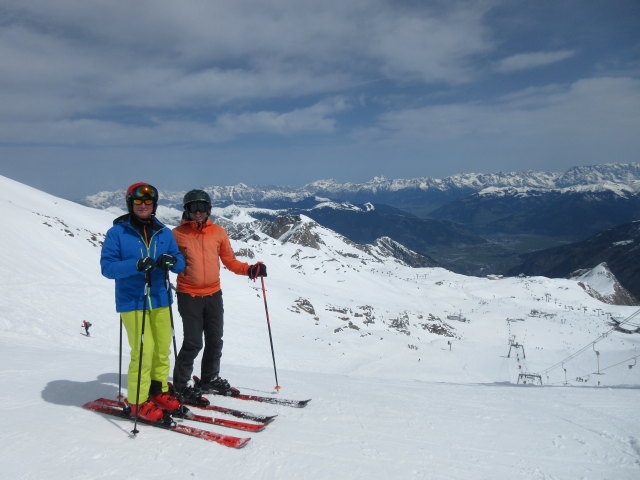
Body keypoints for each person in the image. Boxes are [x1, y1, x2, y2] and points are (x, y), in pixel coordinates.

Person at [171, 189, 267, 404]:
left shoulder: (218, 232)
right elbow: (172, 262)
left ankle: (209, 379)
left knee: (215, 340)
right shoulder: (176, 234)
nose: (198, 212)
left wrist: (250, 270)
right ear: (186, 210)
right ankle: (181, 385)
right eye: (193, 207)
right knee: (194, 342)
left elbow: (230, 261)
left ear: (208, 209)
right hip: (189, 295)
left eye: (202, 207)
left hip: (214, 294)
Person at [100, 182, 186, 422]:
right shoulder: (117, 233)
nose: (143, 206)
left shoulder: (164, 232)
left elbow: (179, 263)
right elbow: (107, 268)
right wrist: (136, 265)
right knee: (143, 351)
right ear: (131, 204)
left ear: (154, 205)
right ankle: (137, 401)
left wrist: (172, 261)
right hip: (133, 300)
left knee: (161, 349)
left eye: (148, 202)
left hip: (160, 298)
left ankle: (159, 391)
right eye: (138, 202)